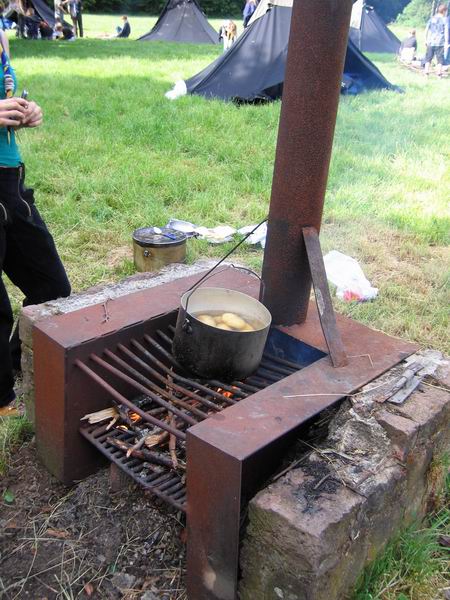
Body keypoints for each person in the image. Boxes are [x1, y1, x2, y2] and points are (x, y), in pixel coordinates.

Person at [0, 30, 71, 411]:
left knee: (51, 285)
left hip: (9, 181)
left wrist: (26, 112)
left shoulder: (1, 36)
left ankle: (13, 362)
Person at [424, 3, 449, 77]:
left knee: (428, 58)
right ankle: (439, 74)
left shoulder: (432, 19)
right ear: (444, 11)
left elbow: (426, 30)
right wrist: (446, 42)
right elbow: (446, 32)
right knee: (440, 59)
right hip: (440, 42)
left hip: (430, 41)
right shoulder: (445, 20)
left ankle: (426, 72)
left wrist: (425, 39)